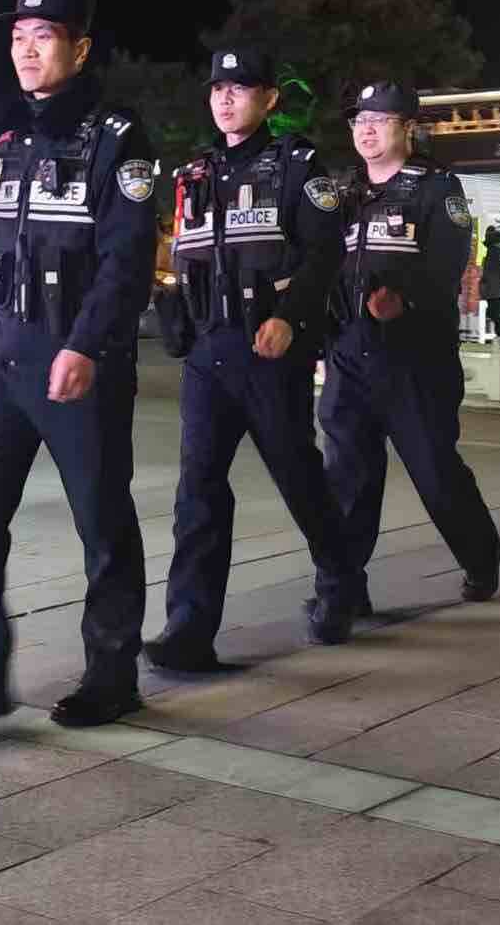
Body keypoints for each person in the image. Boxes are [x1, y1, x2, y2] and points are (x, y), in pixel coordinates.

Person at [0, 0, 156, 732]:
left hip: (78, 364)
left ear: (80, 49)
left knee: (101, 518)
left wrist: (86, 344)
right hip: (1, 364)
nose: (27, 50)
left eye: (44, 36)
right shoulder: (5, 138)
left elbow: (127, 259)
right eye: (18, 36)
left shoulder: (117, 139)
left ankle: (112, 677)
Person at [146, 49, 362, 670]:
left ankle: (340, 581)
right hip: (208, 352)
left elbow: (325, 252)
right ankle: (189, 629)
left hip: (269, 350)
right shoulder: (195, 173)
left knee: (298, 476)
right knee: (199, 491)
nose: (225, 99)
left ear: (268, 99)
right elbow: (182, 254)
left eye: (240, 89)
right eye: (218, 88)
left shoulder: (297, 166)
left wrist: (290, 319)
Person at [319, 81, 500, 610]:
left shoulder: (436, 187)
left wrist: (405, 298)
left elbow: (449, 258)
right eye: (359, 121)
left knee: (434, 470)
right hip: (350, 351)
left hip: (414, 356)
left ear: (407, 128)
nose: (366, 131)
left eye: (379, 121)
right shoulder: (343, 191)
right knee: (347, 477)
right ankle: (342, 590)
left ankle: (481, 555)